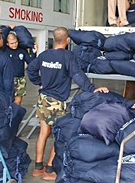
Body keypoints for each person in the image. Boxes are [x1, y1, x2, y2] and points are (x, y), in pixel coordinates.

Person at [27, 27, 109, 181]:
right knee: (59, 136)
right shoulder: (67, 56)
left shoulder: (44, 55)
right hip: (56, 101)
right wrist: (92, 89)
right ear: (67, 40)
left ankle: (38, 167)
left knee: (44, 132)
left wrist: (39, 82)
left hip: (43, 98)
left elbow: (31, 69)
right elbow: (77, 75)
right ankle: (49, 170)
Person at [2, 26, 38, 105]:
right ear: (7, 43)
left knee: (18, 102)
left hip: (20, 79)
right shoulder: (4, 50)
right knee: (7, 101)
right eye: (12, 43)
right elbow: (3, 36)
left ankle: (16, 116)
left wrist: (34, 53)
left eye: (16, 42)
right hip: (7, 78)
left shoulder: (22, 50)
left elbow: (31, 63)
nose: (14, 45)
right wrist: (9, 28)